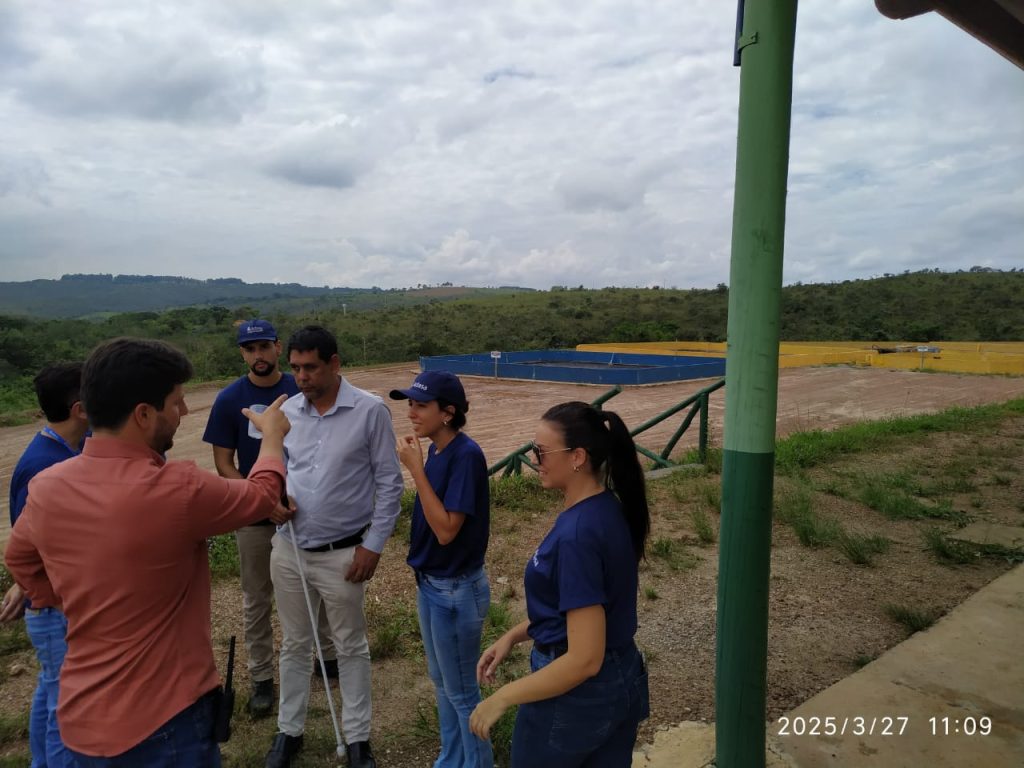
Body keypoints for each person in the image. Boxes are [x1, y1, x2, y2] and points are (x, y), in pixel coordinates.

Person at [4, 338, 293, 767]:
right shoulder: (177, 490)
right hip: (167, 718)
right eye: (176, 403)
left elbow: (20, 559)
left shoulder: (48, 486)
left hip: (82, 716)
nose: (185, 413)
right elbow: (263, 494)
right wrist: (272, 437)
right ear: (143, 414)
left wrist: (70, 598)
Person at [469, 401, 651, 768]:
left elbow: (584, 659)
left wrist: (503, 697)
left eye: (541, 451)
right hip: (621, 675)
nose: (534, 458)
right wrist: (513, 636)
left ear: (577, 457)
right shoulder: (606, 507)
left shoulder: (578, 535)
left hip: (579, 694)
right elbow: (577, 609)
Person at [265, 325, 403, 768]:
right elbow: (278, 466)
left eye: (311, 367)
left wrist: (373, 545)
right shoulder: (287, 412)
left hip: (344, 553)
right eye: (296, 368)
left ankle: (358, 738)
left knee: (350, 646)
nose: (301, 377)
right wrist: (276, 500)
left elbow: (389, 482)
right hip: (288, 549)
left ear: (335, 364)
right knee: (294, 645)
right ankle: (289, 732)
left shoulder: (370, 411)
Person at [202, 318, 337, 717]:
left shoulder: (302, 388)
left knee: (319, 589)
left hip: (304, 511)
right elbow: (224, 463)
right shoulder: (230, 400)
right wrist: (260, 499)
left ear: (279, 348)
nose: (257, 356)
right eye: (249, 349)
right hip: (255, 516)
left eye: (263, 347)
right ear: (242, 353)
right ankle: (262, 676)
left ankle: (326, 658)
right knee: (257, 598)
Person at [391, 371, 494, 768]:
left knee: (463, 691)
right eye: (410, 404)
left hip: (455, 590)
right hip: (431, 584)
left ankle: (478, 763)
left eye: (421, 405)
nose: (411, 412)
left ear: (447, 413)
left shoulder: (466, 456)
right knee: (442, 683)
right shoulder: (436, 450)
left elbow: (448, 530)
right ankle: (452, 759)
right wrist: (421, 464)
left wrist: (415, 471)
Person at [1, 362, 88, 768]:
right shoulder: (43, 465)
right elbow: (28, 544)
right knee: (66, 708)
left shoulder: (69, 447)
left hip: (52, 604)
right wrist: (28, 586)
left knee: (51, 690)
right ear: (80, 409)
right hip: (55, 607)